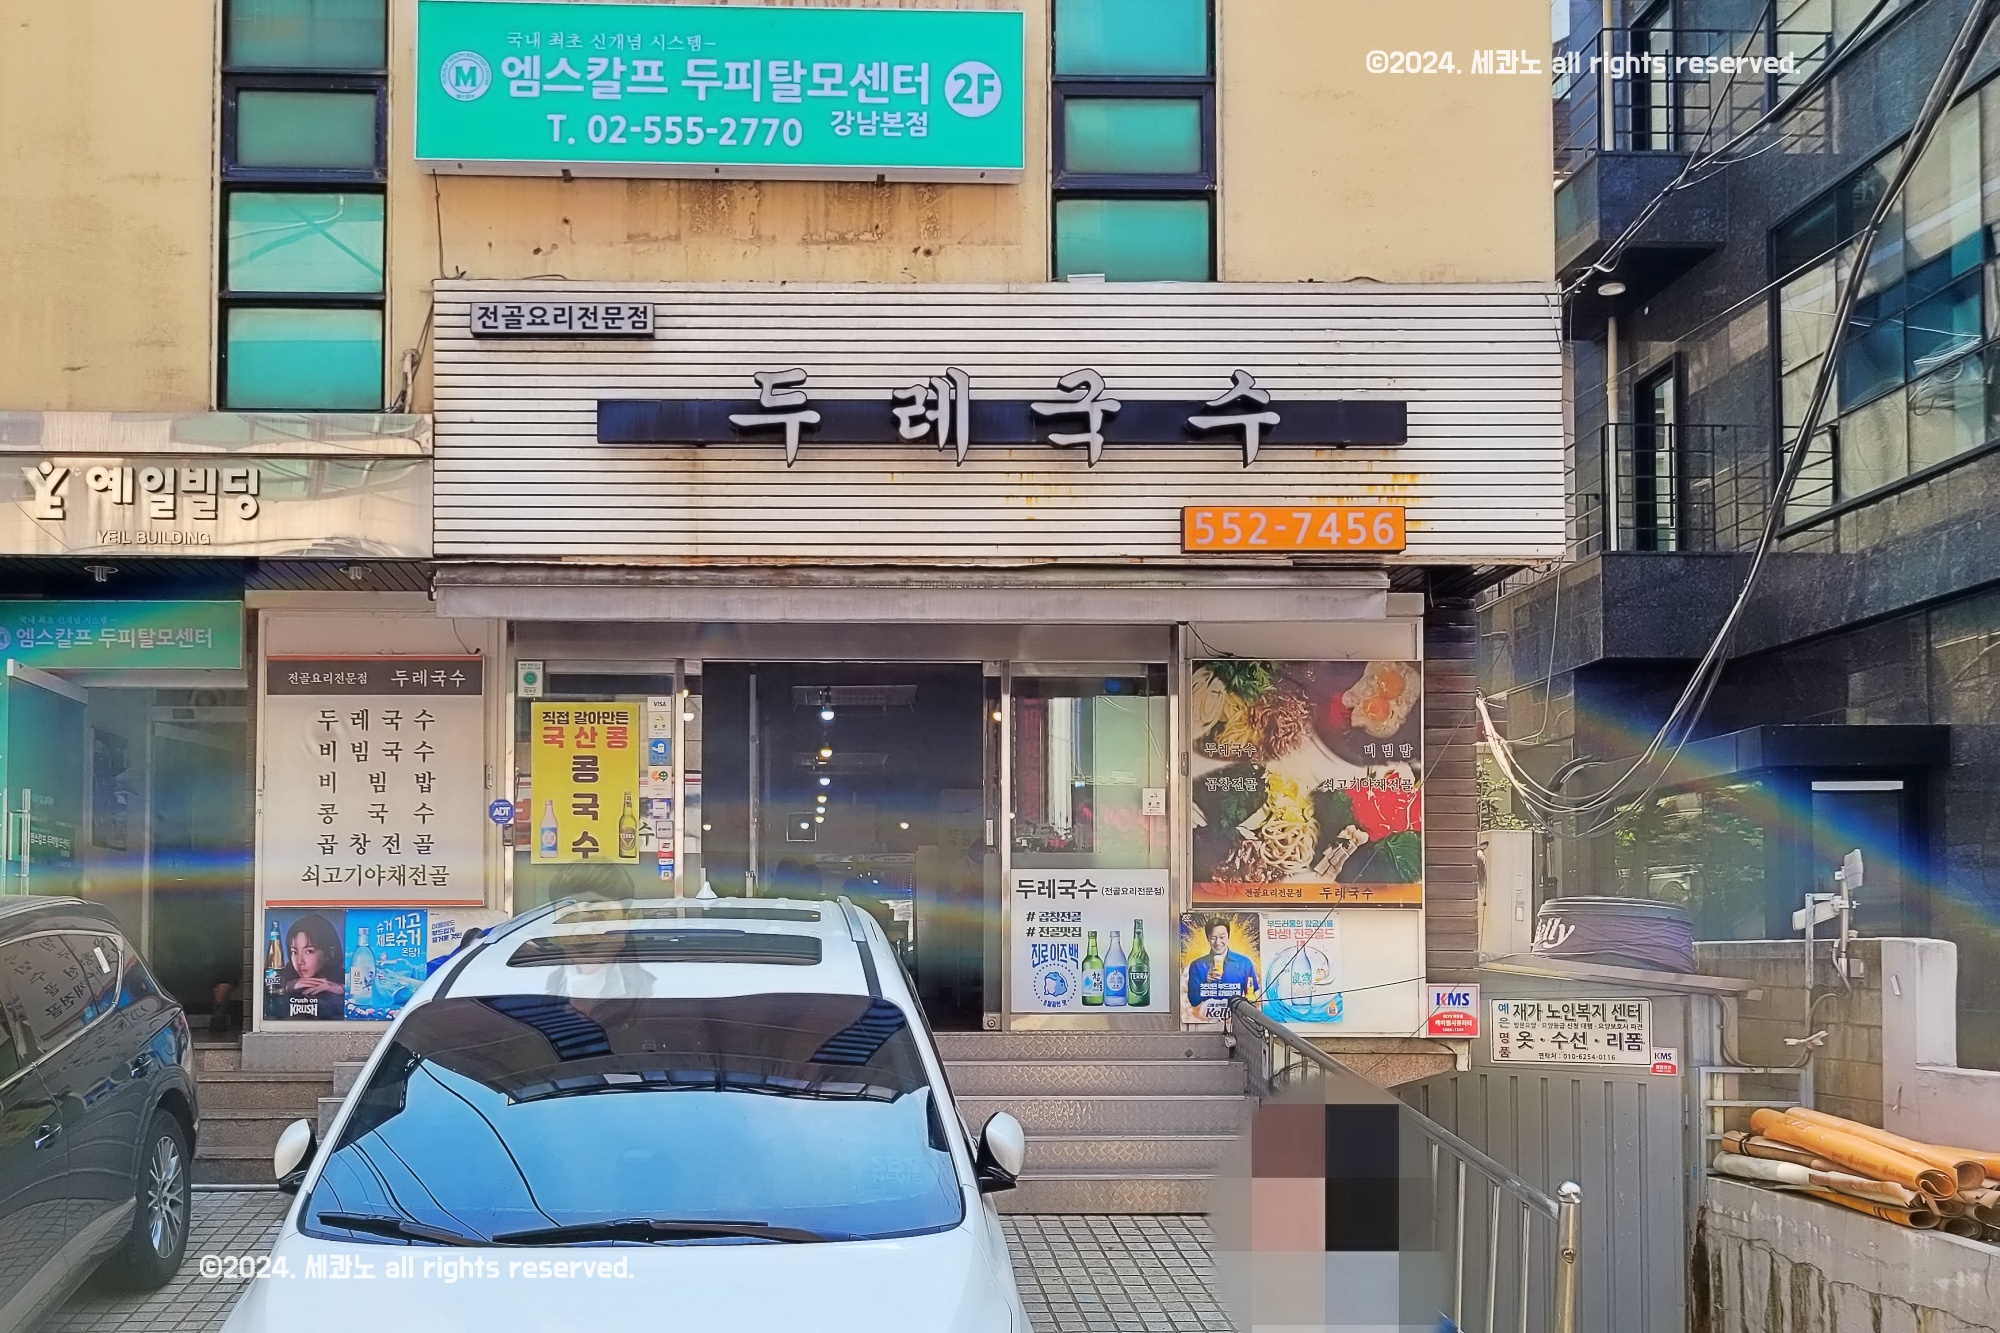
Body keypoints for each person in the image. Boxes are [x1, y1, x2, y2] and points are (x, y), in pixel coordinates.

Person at [270, 914, 345, 1021]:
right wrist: (285, 987)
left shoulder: (344, 978)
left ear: (330, 953)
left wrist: (342, 989)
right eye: (294, 952)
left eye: (309, 951)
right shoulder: (283, 976)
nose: (299, 961)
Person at [1185, 918, 1260, 1016]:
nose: (1218, 942)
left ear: (1228, 937)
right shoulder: (1197, 965)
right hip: (1206, 1019)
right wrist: (1206, 982)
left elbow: (1252, 998)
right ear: (1207, 938)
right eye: (1213, 938)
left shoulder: (1244, 963)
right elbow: (1193, 1001)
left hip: (1236, 1020)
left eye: (1222, 937)